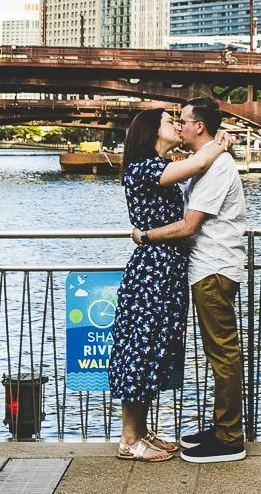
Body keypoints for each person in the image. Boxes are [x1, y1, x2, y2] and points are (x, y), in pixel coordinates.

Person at [110, 108, 233, 462]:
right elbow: (198, 163)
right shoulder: (144, 168)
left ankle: (141, 431)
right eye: (169, 122)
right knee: (139, 350)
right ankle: (129, 439)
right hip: (152, 271)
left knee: (153, 351)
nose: (176, 126)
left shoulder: (159, 167)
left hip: (166, 270)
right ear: (152, 132)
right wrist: (221, 141)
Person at [134, 98, 248, 464]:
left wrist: (145, 236)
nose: (179, 126)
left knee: (223, 353)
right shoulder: (206, 161)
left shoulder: (216, 167)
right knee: (218, 352)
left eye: (182, 120)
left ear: (199, 126)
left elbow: (189, 225)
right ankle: (221, 428)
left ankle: (230, 438)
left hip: (214, 269)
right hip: (208, 268)